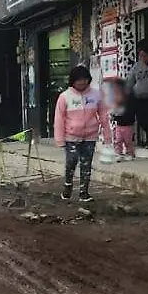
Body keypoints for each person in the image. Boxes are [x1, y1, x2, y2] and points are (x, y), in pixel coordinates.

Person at [54, 65, 109, 203]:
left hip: (90, 136)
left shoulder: (96, 95)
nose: (82, 82)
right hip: (71, 137)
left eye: (85, 79)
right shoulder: (64, 97)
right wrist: (60, 139)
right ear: (73, 81)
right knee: (71, 162)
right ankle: (68, 185)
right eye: (79, 80)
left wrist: (107, 134)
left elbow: (103, 115)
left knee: (86, 164)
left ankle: (84, 192)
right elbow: (59, 119)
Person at [104, 78, 136, 161]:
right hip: (118, 124)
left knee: (128, 140)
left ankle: (130, 153)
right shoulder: (115, 98)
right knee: (118, 140)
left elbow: (131, 110)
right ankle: (118, 153)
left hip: (128, 123)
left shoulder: (129, 97)